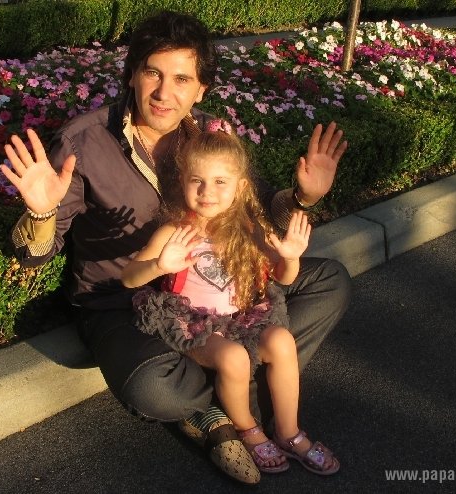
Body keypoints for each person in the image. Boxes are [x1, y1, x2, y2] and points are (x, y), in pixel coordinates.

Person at [0, 10, 350, 485]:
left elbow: (260, 207)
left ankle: (229, 385)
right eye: (153, 73)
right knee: (152, 388)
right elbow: (35, 254)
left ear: (201, 89)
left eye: (182, 79)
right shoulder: (83, 143)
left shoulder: (212, 135)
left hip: (221, 289)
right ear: (132, 74)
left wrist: (303, 198)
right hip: (123, 300)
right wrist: (42, 212)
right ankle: (226, 399)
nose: (164, 93)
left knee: (329, 280)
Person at [121, 123, 340, 475]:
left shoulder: (251, 230)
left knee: (282, 341)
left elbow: (283, 278)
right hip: (192, 323)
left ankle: (288, 431)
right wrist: (158, 265)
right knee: (235, 358)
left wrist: (291, 257)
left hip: (240, 318)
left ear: (240, 188)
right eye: (197, 180)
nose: (207, 191)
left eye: (220, 182)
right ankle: (248, 428)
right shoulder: (174, 232)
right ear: (183, 182)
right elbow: (129, 277)